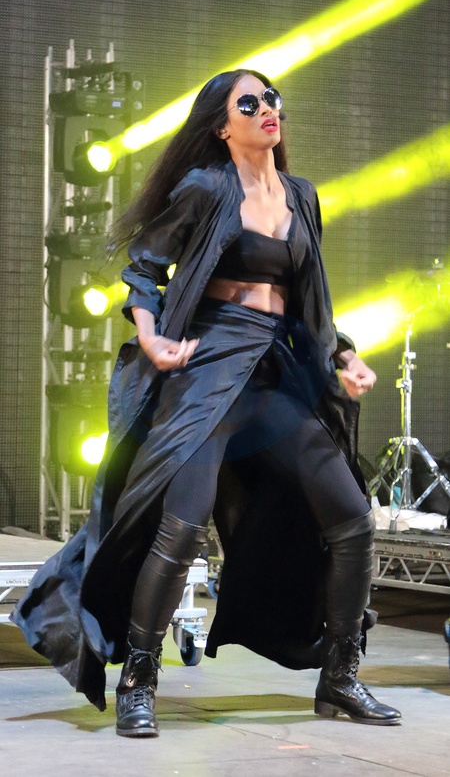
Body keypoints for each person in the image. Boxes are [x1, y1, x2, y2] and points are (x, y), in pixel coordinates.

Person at [12, 69, 402, 737]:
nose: (265, 108)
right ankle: (139, 681)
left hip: (273, 372)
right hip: (208, 365)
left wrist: (343, 355)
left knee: (352, 519)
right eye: (247, 103)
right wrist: (151, 337)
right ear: (222, 126)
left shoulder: (301, 196)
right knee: (182, 527)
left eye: (270, 98)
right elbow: (144, 269)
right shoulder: (205, 187)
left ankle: (340, 677)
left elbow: (309, 298)